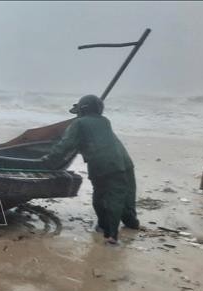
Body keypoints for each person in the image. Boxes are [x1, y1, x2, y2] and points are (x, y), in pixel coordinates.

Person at [41, 94, 139, 245]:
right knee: (124, 196)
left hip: (101, 165)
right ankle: (131, 223)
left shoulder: (79, 124)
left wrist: (47, 162)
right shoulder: (105, 121)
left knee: (103, 197)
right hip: (124, 163)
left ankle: (109, 233)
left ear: (82, 110)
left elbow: (64, 146)